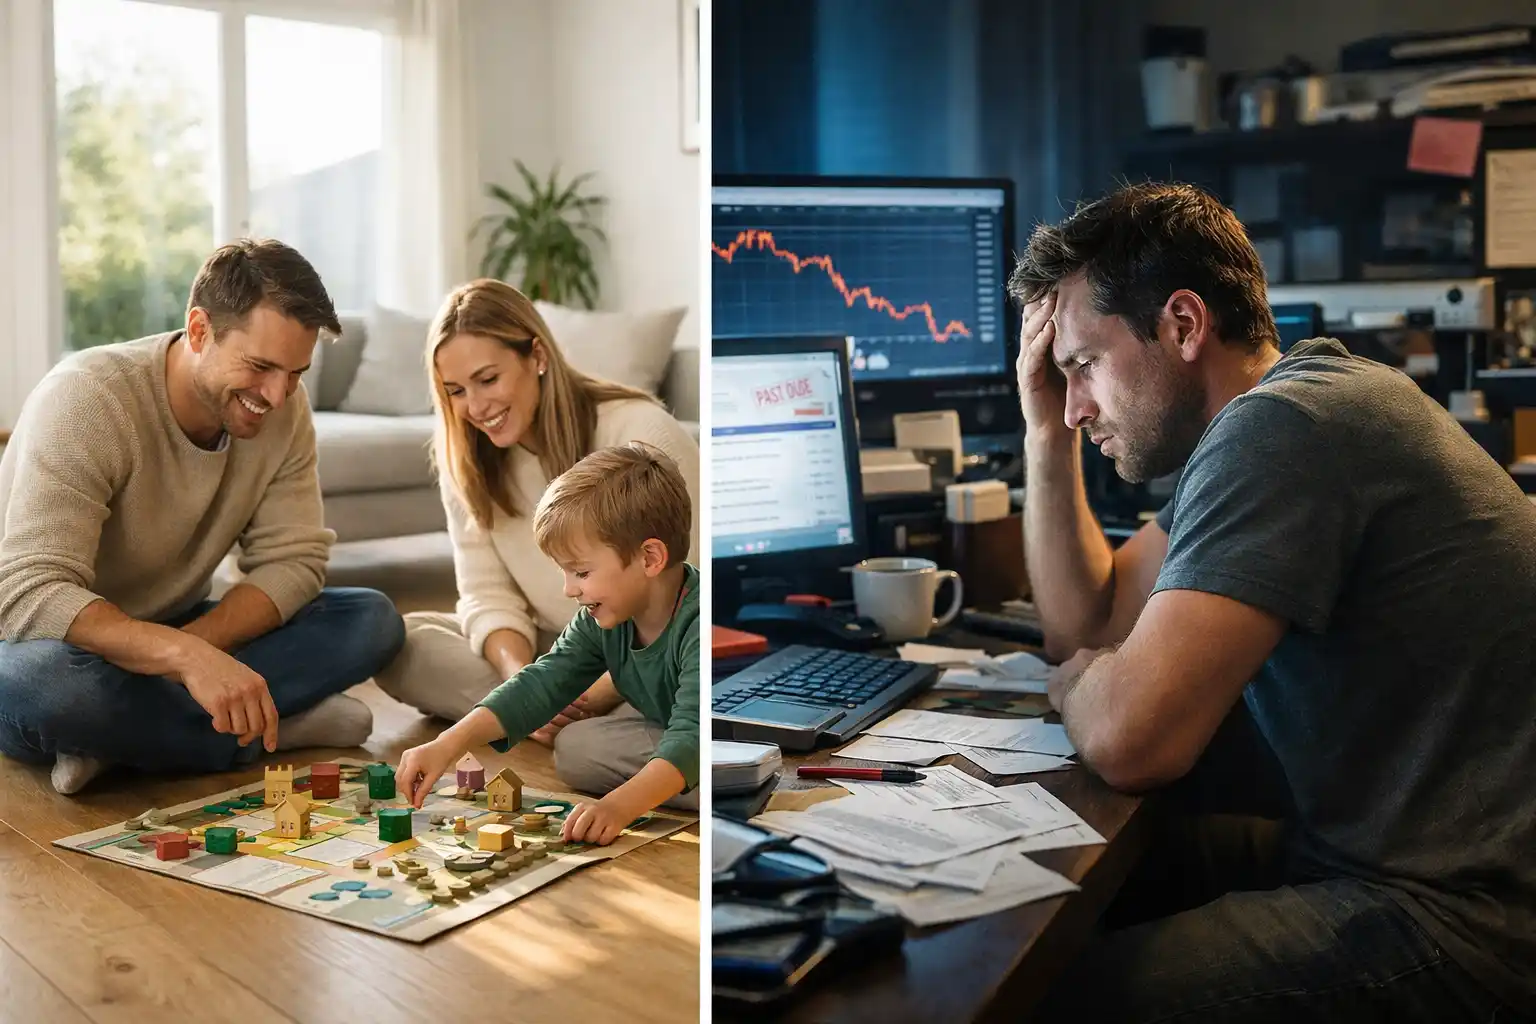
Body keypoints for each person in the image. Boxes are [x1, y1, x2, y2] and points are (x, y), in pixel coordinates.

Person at [1014, 183, 1536, 1022]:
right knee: (1074, 889)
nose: (1076, 406)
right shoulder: (1289, 412)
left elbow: (1130, 741)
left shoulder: (1289, 430)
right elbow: (1090, 625)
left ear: (1184, 325)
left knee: (1056, 996)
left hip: (1465, 920)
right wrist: (1043, 435)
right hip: (1389, 860)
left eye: (1081, 366)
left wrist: (1080, 685)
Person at [0, 239, 405, 795]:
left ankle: (118, 745)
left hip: (178, 623)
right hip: (55, 644)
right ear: (198, 330)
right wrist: (183, 657)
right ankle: (261, 732)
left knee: (372, 619)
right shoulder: (88, 399)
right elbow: (29, 592)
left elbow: (294, 561)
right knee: (45, 687)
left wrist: (197, 647)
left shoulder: (284, 407)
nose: (278, 394)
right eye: (260, 366)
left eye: (295, 372)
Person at [374, 279, 699, 764]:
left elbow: (684, 587)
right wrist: (521, 676)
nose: (476, 407)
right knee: (402, 643)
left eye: (488, 379)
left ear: (537, 356)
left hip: (647, 653)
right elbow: (487, 596)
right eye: (456, 391)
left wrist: (602, 687)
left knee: (587, 737)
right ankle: (539, 712)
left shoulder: (639, 433)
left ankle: (594, 719)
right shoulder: (465, 461)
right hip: (557, 647)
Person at [395, 442, 698, 842]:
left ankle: (716, 785)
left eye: (581, 572)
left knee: (702, 755)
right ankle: (683, 781)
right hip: (669, 731)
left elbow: (693, 732)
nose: (569, 589)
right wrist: (448, 743)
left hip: (719, 738)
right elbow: (542, 680)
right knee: (576, 748)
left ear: (649, 558)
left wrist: (618, 806)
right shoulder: (602, 618)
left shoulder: (700, 619)